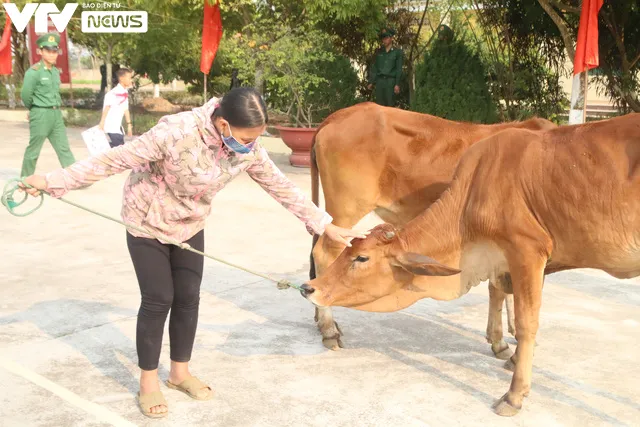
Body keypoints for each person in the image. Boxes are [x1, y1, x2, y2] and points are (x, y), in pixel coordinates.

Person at [20, 87, 368, 418]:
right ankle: (148, 381)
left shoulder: (246, 151)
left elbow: (281, 186)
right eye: (247, 139)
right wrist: (53, 181)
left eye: (256, 139)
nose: (251, 146)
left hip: (190, 224)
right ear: (223, 124)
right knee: (159, 299)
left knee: (188, 297)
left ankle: (179, 373)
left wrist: (325, 224)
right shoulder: (175, 132)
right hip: (147, 221)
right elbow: (114, 159)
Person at [20, 32, 76, 178]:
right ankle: (25, 178)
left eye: (54, 51)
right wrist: (34, 109)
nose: (52, 55)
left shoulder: (55, 72)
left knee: (64, 148)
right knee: (34, 149)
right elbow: (26, 95)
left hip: (55, 114)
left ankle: (75, 178)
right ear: (41, 51)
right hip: (41, 114)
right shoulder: (34, 73)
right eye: (48, 51)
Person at [367, 27, 403, 107]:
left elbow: (399, 69)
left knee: (390, 107)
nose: (384, 40)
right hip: (380, 82)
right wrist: (371, 82)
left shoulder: (397, 52)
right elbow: (375, 68)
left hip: (391, 82)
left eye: (386, 38)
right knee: (379, 107)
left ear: (391, 38)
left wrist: (397, 84)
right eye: (383, 38)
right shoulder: (379, 52)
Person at [99, 67, 134, 148]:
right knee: (118, 149)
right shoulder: (113, 93)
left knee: (118, 149)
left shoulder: (124, 92)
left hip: (117, 127)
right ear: (122, 79)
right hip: (111, 126)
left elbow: (126, 109)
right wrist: (102, 123)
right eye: (129, 78)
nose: (130, 80)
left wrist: (129, 125)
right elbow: (107, 107)